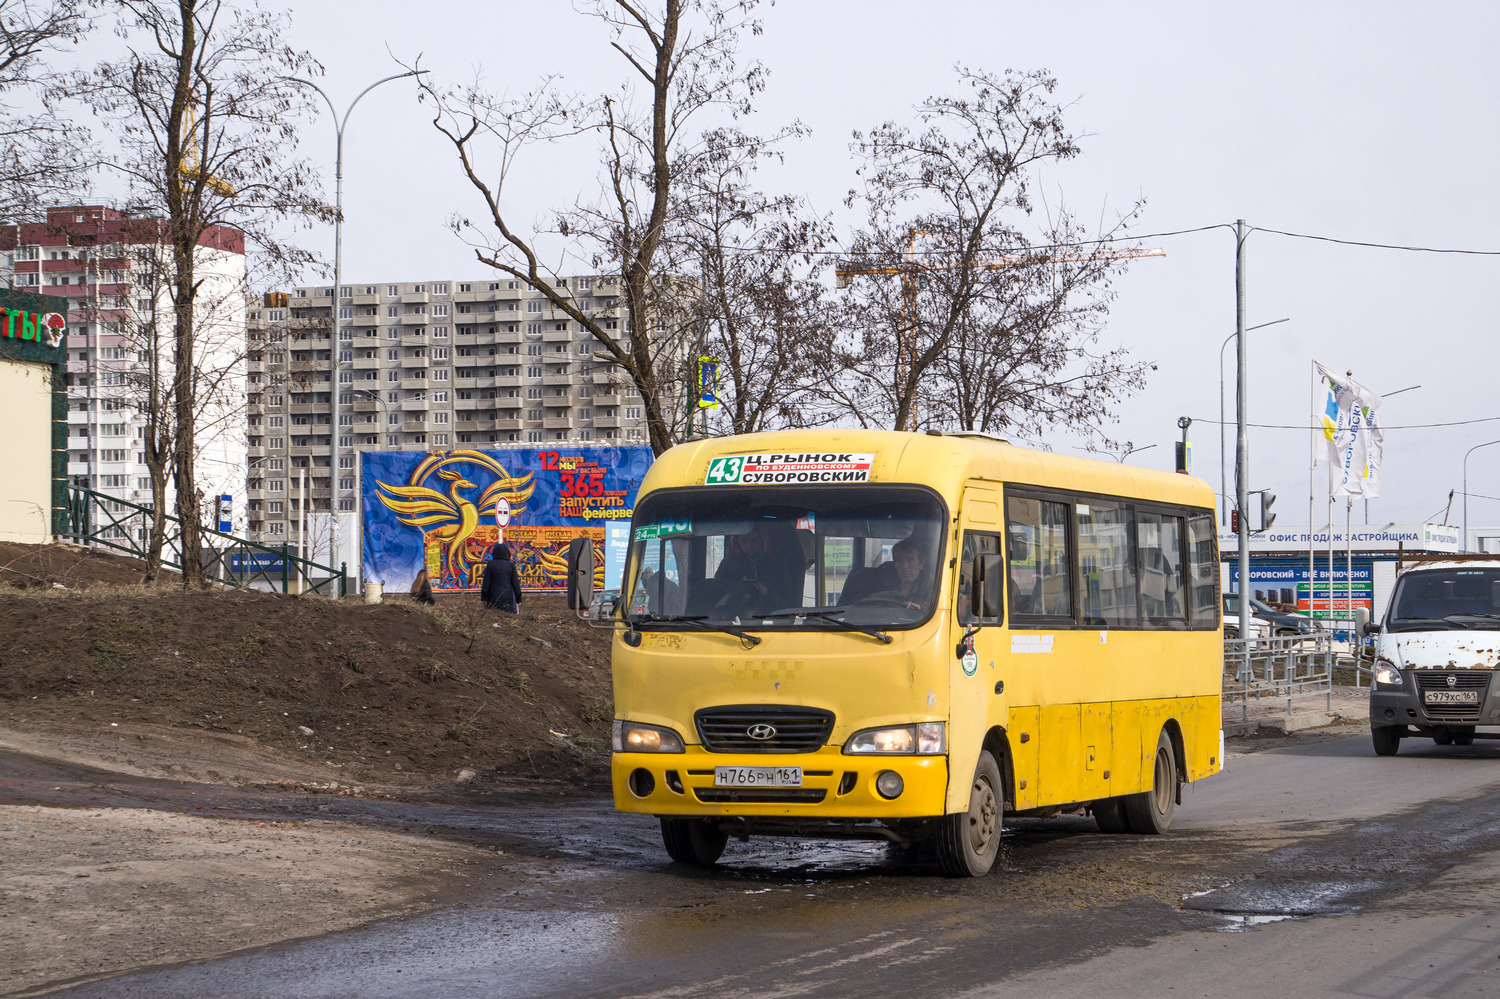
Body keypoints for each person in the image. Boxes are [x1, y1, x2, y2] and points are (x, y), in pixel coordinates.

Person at [481, 544, 523, 614]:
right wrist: (519, 599)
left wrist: (484, 597)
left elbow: (486, 582)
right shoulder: (511, 565)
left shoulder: (490, 564)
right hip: (507, 596)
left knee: (493, 617)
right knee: (507, 618)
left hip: (493, 596)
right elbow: (515, 583)